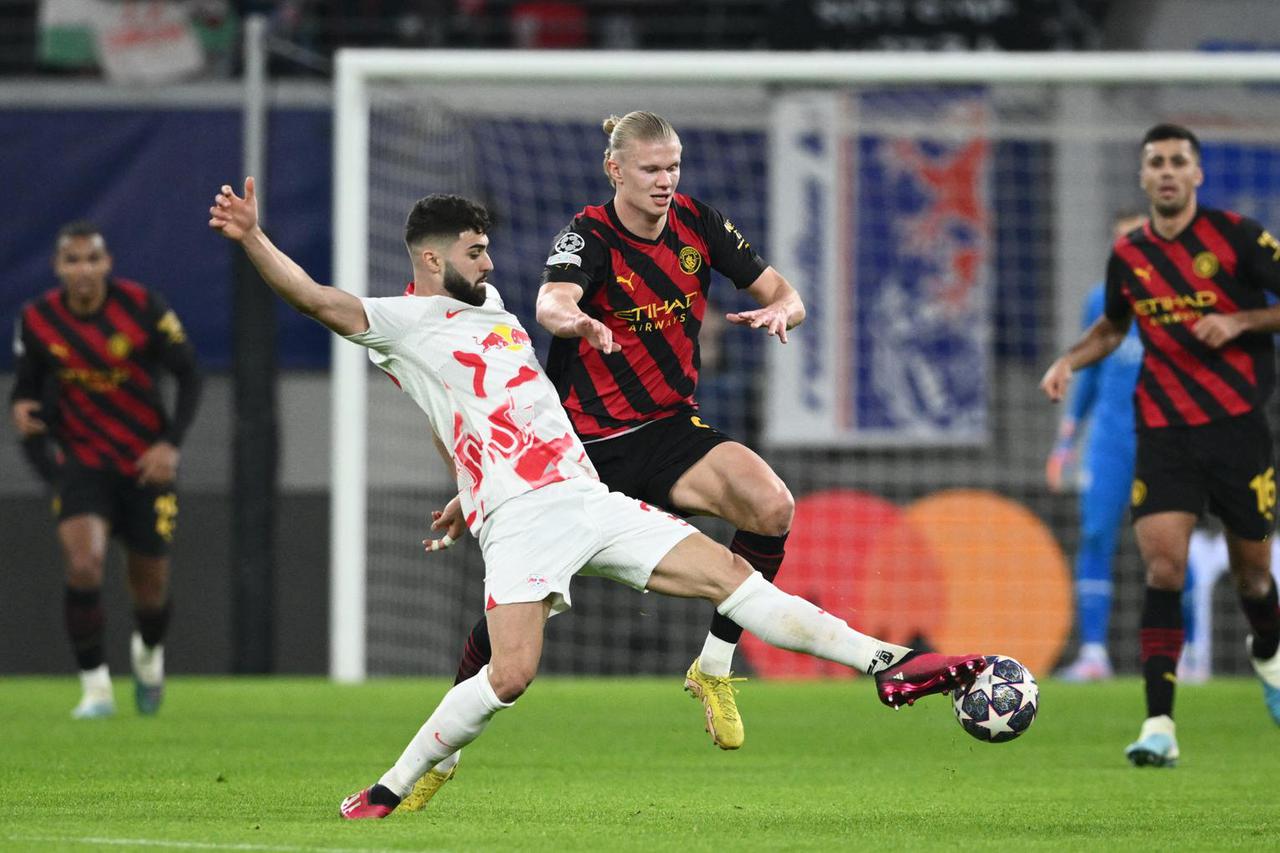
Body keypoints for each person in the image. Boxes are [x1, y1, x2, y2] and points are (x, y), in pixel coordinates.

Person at [208, 179, 987, 818]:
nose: (487, 260)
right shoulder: (403, 320)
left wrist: (461, 482)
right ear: (430, 258)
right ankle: (390, 787)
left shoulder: (488, 310)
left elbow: (484, 414)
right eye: (473, 251)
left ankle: (893, 662)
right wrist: (252, 237)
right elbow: (314, 297)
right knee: (511, 675)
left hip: (586, 493)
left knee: (733, 578)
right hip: (519, 517)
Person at [421, 112, 804, 803]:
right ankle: (440, 753)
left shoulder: (698, 223)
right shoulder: (588, 232)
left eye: (673, 167)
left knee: (772, 503)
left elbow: (783, 291)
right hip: (579, 451)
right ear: (615, 170)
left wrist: (784, 311)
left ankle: (713, 665)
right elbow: (550, 300)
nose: (665, 181)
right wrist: (577, 320)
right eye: (652, 169)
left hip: (666, 430)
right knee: (513, 633)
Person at [1041, 123, 1280, 767]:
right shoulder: (1132, 255)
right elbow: (1113, 327)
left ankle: (1271, 658)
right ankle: (1159, 725)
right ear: (1144, 178)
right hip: (1163, 432)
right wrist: (1070, 361)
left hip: (1237, 428)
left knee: (1255, 578)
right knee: (1163, 568)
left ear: (1198, 174)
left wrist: (1241, 319)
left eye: (1179, 161)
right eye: (1157, 163)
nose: (1168, 171)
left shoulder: (1239, 238)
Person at [9, 221, 202, 719]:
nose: (82, 270)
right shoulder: (38, 320)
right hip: (82, 465)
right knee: (83, 565)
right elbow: (25, 394)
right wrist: (34, 434)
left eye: (91, 259)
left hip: (144, 466)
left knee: (149, 592)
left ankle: (148, 655)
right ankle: (96, 691)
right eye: (71, 261)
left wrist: (169, 445)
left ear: (106, 263)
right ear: (58, 268)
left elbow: (189, 374)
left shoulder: (142, 307)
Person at [1046, 211, 1147, 682]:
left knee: (1170, 545)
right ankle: (1093, 654)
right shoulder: (1099, 301)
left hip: (1163, 439)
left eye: (1136, 238)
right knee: (1094, 535)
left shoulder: (1183, 303)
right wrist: (1066, 442)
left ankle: (1189, 652)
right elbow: (1088, 376)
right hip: (1108, 440)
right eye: (1119, 241)